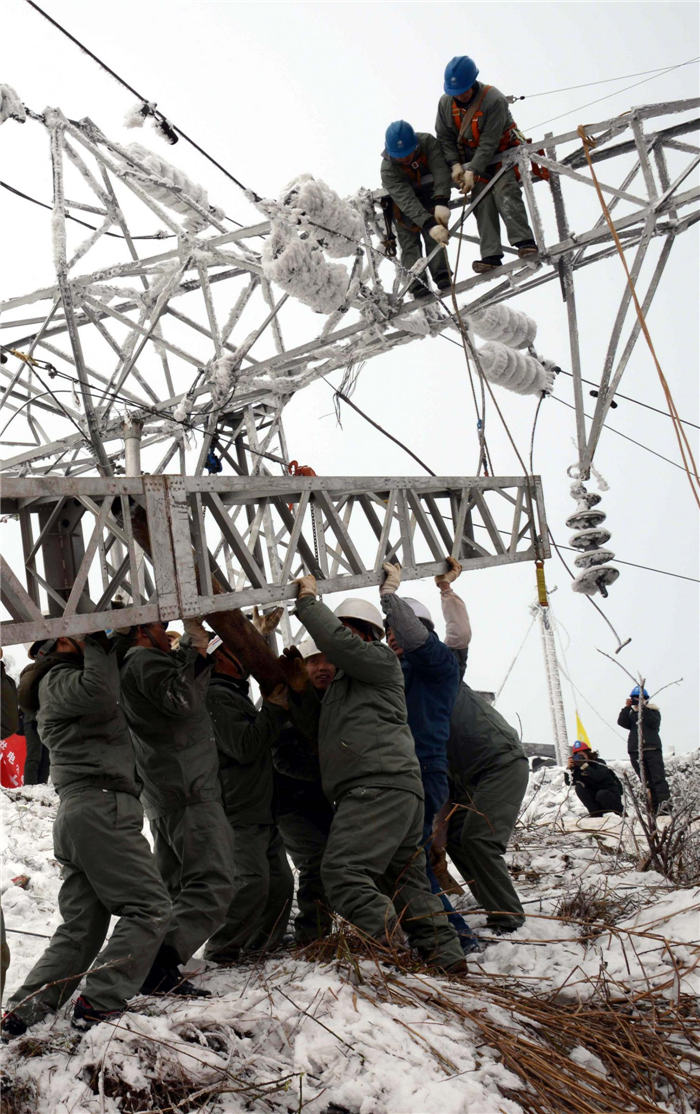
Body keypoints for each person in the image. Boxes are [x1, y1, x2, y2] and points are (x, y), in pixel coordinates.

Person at [2, 634, 171, 1037]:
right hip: (100, 808)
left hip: (88, 812)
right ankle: (98, 1002)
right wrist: (97, 639)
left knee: (82, 927)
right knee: (149, 908)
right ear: (64, 639)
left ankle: (25, 1011)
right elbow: (99, 691)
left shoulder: (60, 680)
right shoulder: (56, 679)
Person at [293, 577, 465, 972]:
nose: (335, 643)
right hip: (395, 789)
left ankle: (390, 951)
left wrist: (307, 603)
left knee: (341, 872)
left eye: (346, 630)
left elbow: (336, 642)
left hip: (377, 788)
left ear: (365, 635)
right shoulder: (349, 682)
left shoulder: (378, 660)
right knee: (407, 881)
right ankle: (446, 957)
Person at [119, 618, 235, 993]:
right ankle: (159, 965)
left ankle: (149, 967)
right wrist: (195, 646)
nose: (164, 634)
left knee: (174, 889)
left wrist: (189, 646)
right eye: (158, 626)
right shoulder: (144, 661)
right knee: (213, 884)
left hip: (169, 791)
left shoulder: (134, 664)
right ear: (140, 632)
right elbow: (181, 698)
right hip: (190, 789)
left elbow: (173, 688)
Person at [379, 562, 479, 953]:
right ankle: (444, 933)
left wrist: (393, 598)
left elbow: (459, 635)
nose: (393, 638)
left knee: (411, 863)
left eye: (399, 630)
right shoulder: (394, 671)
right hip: (400, 775)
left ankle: (454, 936)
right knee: (407, 861)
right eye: (388, 633)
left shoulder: (438, 665)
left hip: (422, 772)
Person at [433, 578, 528, 935]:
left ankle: (508, 917)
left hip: (499, 763)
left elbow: (458, 635)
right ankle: (493, 905)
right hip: (466, 778)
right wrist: (438, 839)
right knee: (458, 836)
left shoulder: (440, 674)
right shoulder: (407, 708)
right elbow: (439, 780)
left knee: (478, 838)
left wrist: (446, 593)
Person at [203, 635, 293, 963]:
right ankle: (221, 949)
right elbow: (244, 745)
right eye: (237, 651)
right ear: (220, 659)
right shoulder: (215, 695)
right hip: (240, 807)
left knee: (280, 885)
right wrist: (272, 708)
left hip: (260, 805)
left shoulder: (233, 693)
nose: (245, 657)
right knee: (252, 882)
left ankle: (260, 947)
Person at [436, 55, 537, 274]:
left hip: (501, 155)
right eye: (455, 93)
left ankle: (525, 242)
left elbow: (490, 141)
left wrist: (473, 169)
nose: (460, 96)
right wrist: (455, 164)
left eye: (463, 90)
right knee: (481, 203)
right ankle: (490, 255)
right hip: (473, 162)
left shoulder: (493, 100)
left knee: (506, 192)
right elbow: (444, 137)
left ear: (473, 83)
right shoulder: (446, 104)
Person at [273, 638, 335, 944]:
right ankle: (312, 938)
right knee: (316, 862)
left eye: (328, 660)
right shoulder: (290, 703)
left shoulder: (337, 701)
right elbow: (282, 758)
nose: (322, 667)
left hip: (323, 802)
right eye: (313, 661)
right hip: (292, 803)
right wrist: (328, 773)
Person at [380, 120, 453, 297]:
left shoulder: (427, 143)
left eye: (408, 153)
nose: (405, 159)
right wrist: (428, 224)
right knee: (409, 242)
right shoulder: (388, 169)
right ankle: (416, 281)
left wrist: (442, 200)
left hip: (431, 197)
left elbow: (440, 170)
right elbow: (406, 200)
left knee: (434, 239)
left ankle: (441, 273)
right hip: (403, 208)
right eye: (400, 156)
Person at [617, 686, 671, 815]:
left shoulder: (653, 711)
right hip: (635, 751)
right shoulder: (631, 713)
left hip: (652, 749)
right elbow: (621, 722)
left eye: (638, 698)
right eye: (634, 698)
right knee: (646, 782)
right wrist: (627, 708)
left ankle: (665, 809)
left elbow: (654, 723)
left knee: (658, 779)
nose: (636, 701)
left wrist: (643, 708)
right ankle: (652, 809)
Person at [565, 740, 624, 817]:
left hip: (609, 797)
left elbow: (598, 777)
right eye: (577, 756)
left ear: (588, 753)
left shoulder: (599, 763)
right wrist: (569, 769)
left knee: (601, 794)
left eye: (582, 755)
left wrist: (585, 766)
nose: (580, 758)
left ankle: (620, 813)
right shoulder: (578, 768)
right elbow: (569, 782)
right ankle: (595, 813)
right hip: (595, 800)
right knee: (579, 788)